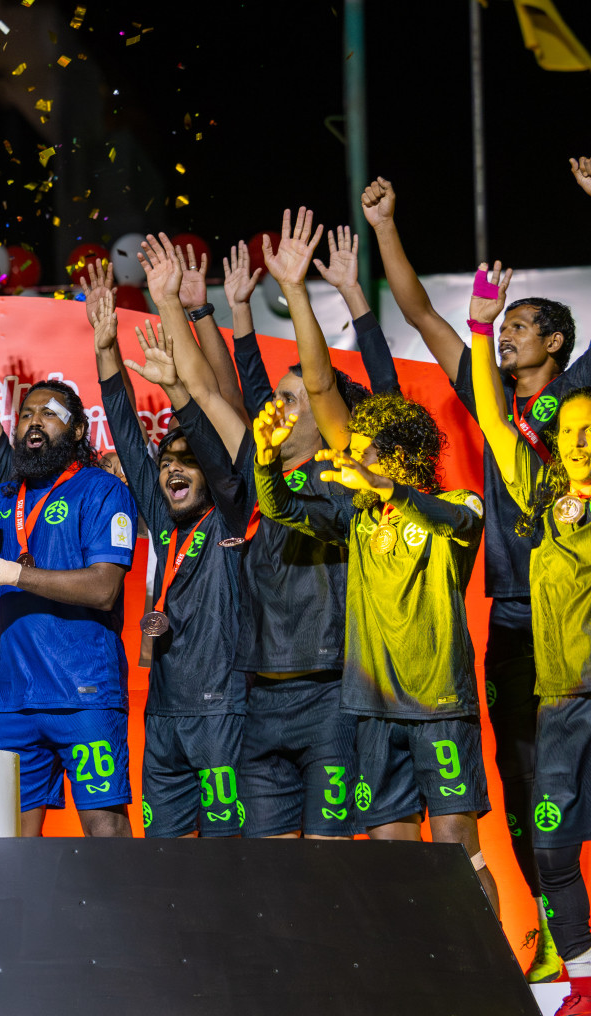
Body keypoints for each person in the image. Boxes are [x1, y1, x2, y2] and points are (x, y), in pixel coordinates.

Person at [366, 174, 586, 976]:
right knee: (529, 788)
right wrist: (387, 225)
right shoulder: (487, 393)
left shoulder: (578, 398)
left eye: (522, 327)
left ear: (556, 344)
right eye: (505, 325)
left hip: (582, 613)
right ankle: (561, 942)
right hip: (515, 619)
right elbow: (421, 313)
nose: (506, 337)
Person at [253, 382, 498, 916]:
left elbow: (454, 522)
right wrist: (266, 459)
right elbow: (282, 509)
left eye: (359, 449)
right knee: (394, 864)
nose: (347, 461)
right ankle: (415, 980)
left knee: (459, 854)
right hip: (373, 714)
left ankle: (492, 981)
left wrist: (388, 489)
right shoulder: (358, 520)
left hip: (438, 707)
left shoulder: (458, 505)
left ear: (400, 458)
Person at [0, 241, 138, 839]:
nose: (35, 421)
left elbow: (104, 589)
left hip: (84, 694)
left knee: (105, 829)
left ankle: (126, 932)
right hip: (11, 699)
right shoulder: (3, 494)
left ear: (77, 430)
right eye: (28, 413)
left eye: (51, 413)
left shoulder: (103, 492)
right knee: (9, 840)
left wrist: (5, 573)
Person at [212, 233, 390, 841]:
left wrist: (293, 289)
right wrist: (221, 310)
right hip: (261, 696)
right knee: (272, 881)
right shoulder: (267, 470)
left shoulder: (346, 477)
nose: (277, 409)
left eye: (296, 401)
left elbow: (314, 385)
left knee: (331, 874)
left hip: (330, 697)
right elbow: (221, 391)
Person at [465, 261, 591, 1016]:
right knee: (549, 846)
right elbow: (488, 410)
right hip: (563, 696)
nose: (576, 439)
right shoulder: (540, 492)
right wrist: (480, 327)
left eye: (588, 429)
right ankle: (583, 981)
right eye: (568, 430)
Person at [99, 235, 256, 839]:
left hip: (224, 712)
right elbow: (127, 439)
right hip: (162, 713)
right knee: (161, 860)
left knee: (227, 859)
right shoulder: (165, 526)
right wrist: (105, 348)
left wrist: (177, 385)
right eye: (169, 461)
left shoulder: (234, 514)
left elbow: (220, 431)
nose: (172, 468)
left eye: (187, 460)